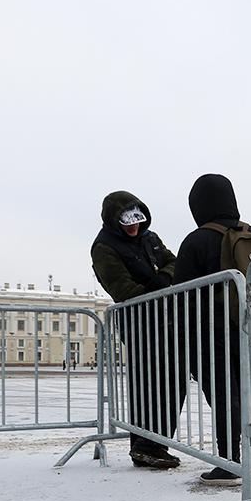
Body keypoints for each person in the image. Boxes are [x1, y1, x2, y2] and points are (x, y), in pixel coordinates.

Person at [173, 174, 251, 485]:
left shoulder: (197, 240)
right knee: (250, 393)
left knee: (222, 394)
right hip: (249, 329)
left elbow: (181, 293)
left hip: (210, 330)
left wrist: (184, 336)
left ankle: (229, 461)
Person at [91, 190, 181, 469]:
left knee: (173, 383)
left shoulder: (150, 238)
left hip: (166, 319)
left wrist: (162, 279)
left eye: (137, 221)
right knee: (147, 385)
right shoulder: (103, 247)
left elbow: (174, 262)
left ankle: (158, 444)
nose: (133, 228)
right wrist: (155, 288)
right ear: (114, 220)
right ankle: (143, 446)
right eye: (127, 223)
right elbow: (121, 288)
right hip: (138, 323)